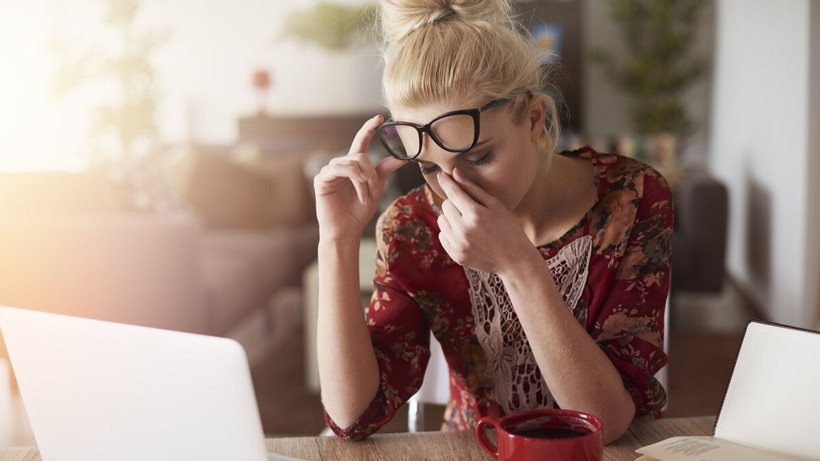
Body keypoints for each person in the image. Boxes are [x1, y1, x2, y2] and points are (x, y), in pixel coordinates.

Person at [313, 0, 672, 444]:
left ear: (535, 119)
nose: (455, 189)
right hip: (477, 450)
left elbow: (606, 424)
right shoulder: (413, 227)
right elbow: (352, 417)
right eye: (429, 168)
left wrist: (518, 266)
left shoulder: (631, 198)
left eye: (479, 157)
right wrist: (337, 239)